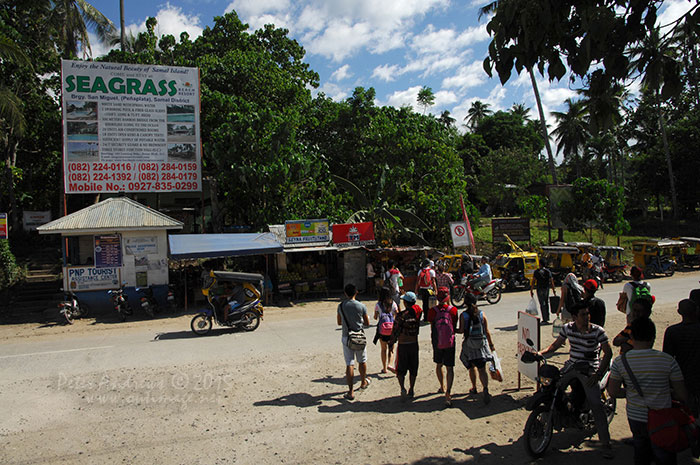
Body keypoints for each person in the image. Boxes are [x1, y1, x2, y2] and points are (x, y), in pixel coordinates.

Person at [608, 317, 688, 465]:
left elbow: (613, 392)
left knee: (640, 452)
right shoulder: (667, 360)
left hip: (636, 416)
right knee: (664, 454)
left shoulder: (621, 362)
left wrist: (630, 392)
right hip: (662, 416)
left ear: (631, 337)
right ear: (653, 336)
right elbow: (682, 394)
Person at [538, 304, 614, 458]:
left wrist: (598, 374)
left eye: (587, 314)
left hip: (589, 370)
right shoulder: (567, 328)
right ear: (574, 317)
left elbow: (608, 353)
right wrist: (539, 353)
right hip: (572, 366)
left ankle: (606, 444)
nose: (587, 317)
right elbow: (555, 345)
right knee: (553, 389)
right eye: (583, 314)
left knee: (596, 405)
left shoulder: (598, 331)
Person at [663, 298, 700, 417]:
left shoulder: (672, 331)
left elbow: (667, 357)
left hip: (682, 376)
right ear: (696, 311)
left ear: (679, 312)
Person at [456, 293, 495, 404]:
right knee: (482, 368)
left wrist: (452, 329)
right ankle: (485, 388)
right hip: (481, 345)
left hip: (469, 345)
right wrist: (491, 345)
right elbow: (486, 331)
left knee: (471, 367)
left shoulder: (464, 315)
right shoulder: (482, 314)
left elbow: (461, 330)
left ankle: (474, 387)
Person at [337, 283, 371, 400]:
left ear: (345, 293)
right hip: (359, 336)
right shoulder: (361, 306)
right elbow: (367, 323)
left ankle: (350, 391)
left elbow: (339, 322)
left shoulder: (341, 306)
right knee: (362, 361)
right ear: (356, 292)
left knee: (349, 363)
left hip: (347, 337)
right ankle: (363, 382)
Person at [427, 287, 458, 407]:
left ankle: (442, 386)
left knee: (439, 364)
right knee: (450, 368)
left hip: (437, 340)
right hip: (450, 341)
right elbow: (454, 325)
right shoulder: (453, 310)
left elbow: (431, 325)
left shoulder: (432, 311)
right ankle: (448, 393)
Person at [390, 291, 422, 402]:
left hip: (403, 344)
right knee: (413, 368)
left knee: (400, 369)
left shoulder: (401, 316)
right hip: (414, 344)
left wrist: (391, 343)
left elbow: (395, 331)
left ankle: (402, 388)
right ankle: (411, 388)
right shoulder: (418, 313)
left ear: (405, 302)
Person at [373, 286, 398, 374]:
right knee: (391, 349)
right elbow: (397, 314)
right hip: (392, 330)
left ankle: (384, 368)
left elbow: (375, 317)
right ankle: (390, 364)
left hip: (382, 330)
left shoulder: (378, 304)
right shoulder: (393, 303)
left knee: (383, 349)